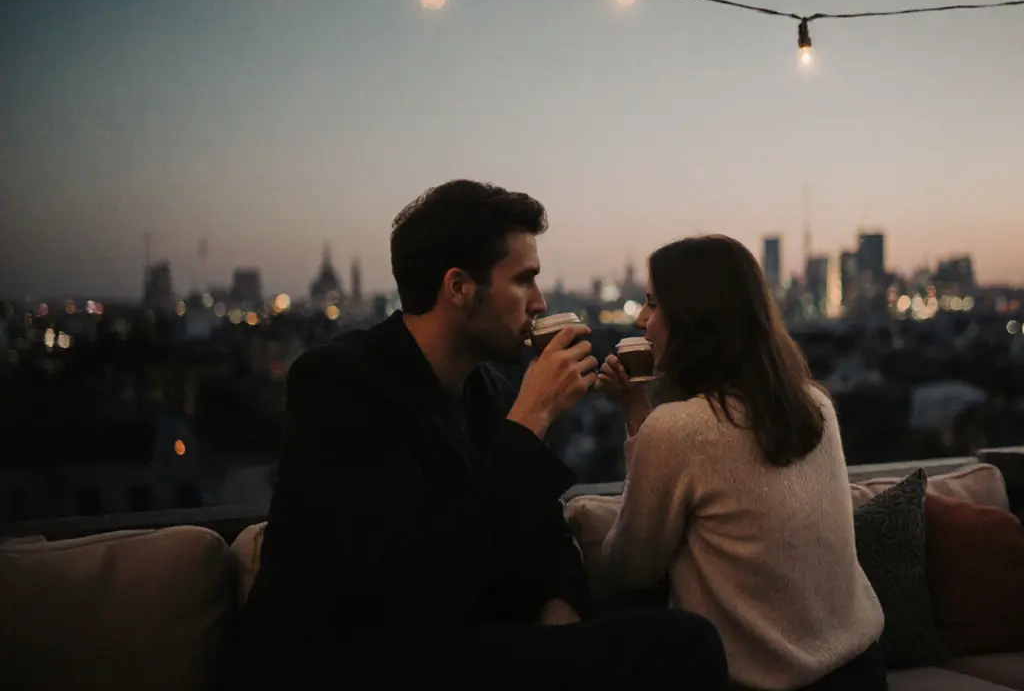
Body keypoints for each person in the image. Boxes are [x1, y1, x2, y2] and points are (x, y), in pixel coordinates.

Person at [221, 180, 728, 690]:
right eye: (523, 280)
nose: (539, 302)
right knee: (683, 648)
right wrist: (532, 416)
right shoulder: (339, 384)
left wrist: (559, 610)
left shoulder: (489, 391)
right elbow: (415, 581)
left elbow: (549, 539)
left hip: (457, 649)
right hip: (350, 659)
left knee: (683, 640)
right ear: (459, 287)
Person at [588, 235, 888, 691]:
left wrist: (635, 413)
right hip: (861, 671)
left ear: (693, 319)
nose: (642, 321)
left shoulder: (676, 429)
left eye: (653, 304)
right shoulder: (815, 406)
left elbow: (630, 567)